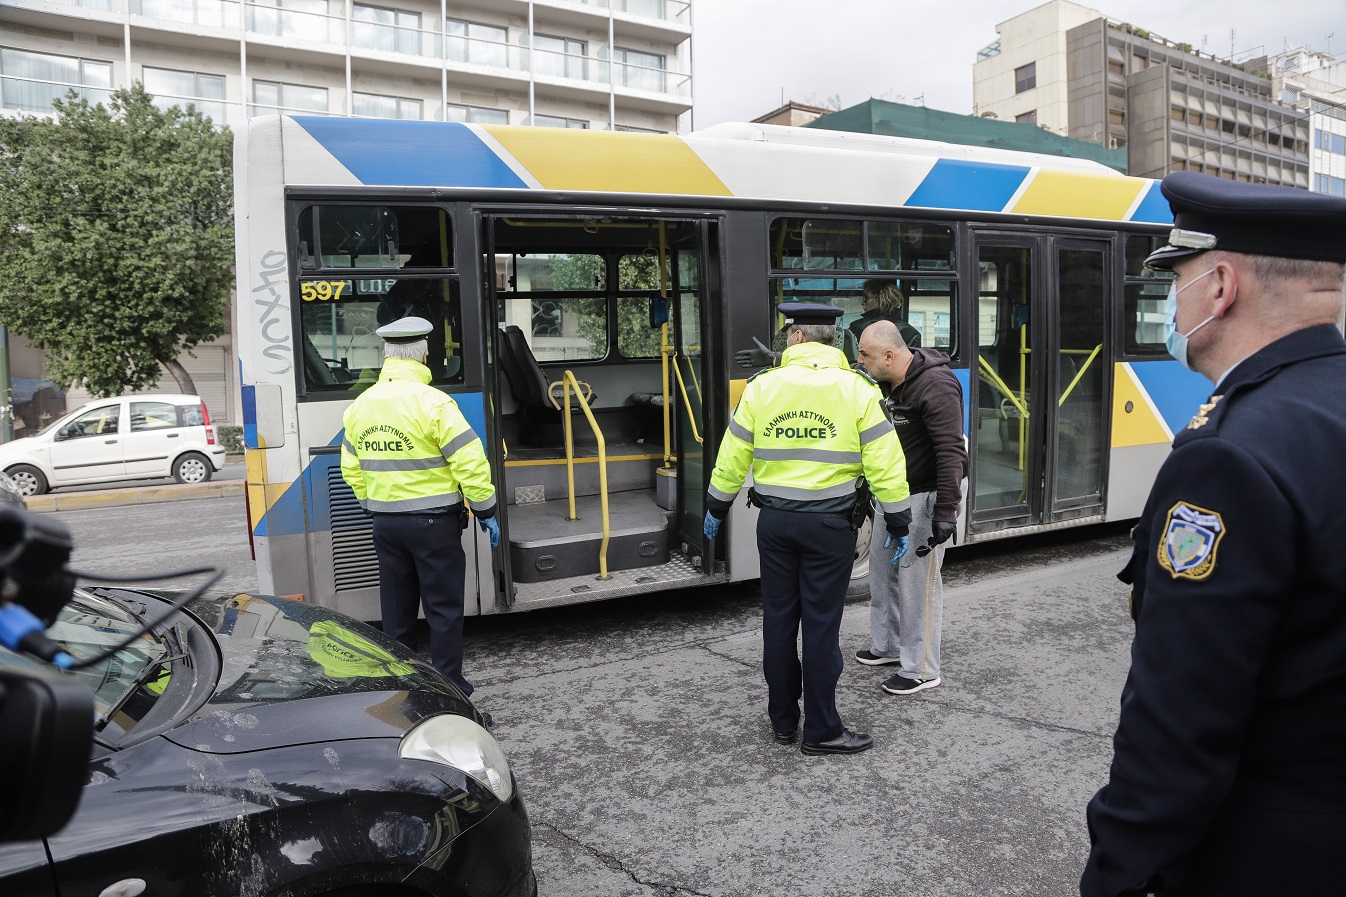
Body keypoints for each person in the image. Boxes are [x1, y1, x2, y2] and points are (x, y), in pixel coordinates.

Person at [1080, 172, 1346, 897]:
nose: (1171, 301)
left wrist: (1120, 876)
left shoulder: (1230, 455)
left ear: (1220, 286)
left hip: (1274, 856)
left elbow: (1179, 726)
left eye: (1176, 278)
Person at [704, 303, 912, 756]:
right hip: (830, 527)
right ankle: (820, 730)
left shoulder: (761, 387)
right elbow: (886, 463)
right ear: (833, 338)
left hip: (775, 524)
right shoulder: (856, 389)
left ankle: (782, 722)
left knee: (778, 623)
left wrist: (716, 506)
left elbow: (733, 453)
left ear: (796, 338)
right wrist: (898, 521)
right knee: (820, 628)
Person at [340, 316, 500, 700]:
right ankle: (448, 688)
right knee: (443, 609)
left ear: (385, 355)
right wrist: (486, 509)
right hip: (433, 525)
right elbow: (470, 463)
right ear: (424, 355)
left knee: (396, 612)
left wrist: (373, 505)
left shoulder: (360, 406)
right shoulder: (435, 403)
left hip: (386, 525)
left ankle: (402, 686)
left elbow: (351, 467)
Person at [853, 320, 967, 695]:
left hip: (927, 496)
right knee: (883, 573)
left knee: (918, 583)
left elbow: (952, 451)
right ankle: (887, 646)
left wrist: (946, 512)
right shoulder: (888, 380)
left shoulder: (936, 386)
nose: (859, 361)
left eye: (865, 355)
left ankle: (922, 668)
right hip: (895, 493)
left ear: (889, 355)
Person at [849, 279, 921, 350]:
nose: (863, 302)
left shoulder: (857, 327)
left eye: (866, 298)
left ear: (879, 299)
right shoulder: (911, 332)